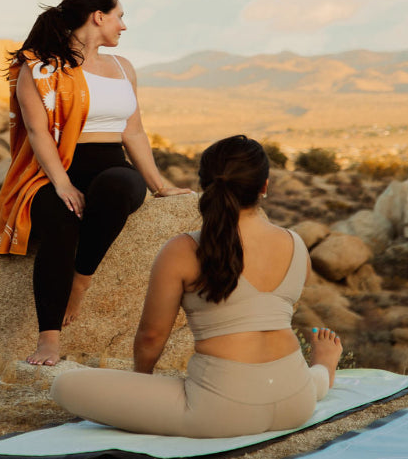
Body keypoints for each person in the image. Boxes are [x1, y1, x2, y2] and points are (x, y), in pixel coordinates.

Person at [51, 134, 343, 437]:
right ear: (264, 187)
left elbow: (152, 336)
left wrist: (142, 383)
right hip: (297, 402)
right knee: (295, 377)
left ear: (205, 185)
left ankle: (320, 372)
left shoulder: (183, 249)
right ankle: (322, 371)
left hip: (221, 412)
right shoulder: (296, 244)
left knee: (64, 385)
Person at [0, 0, 192, 366]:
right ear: (98, 16)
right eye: (119, 16)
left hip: (110, 163)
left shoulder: (123, 67)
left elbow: (134, 131)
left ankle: (82, 278)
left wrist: (160, 186)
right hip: (57, 167)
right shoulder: (42, 67)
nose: (123, 26)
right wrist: (62, 183)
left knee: (122, 186)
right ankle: (48, 340)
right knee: (60, 220)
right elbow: (37, 130)